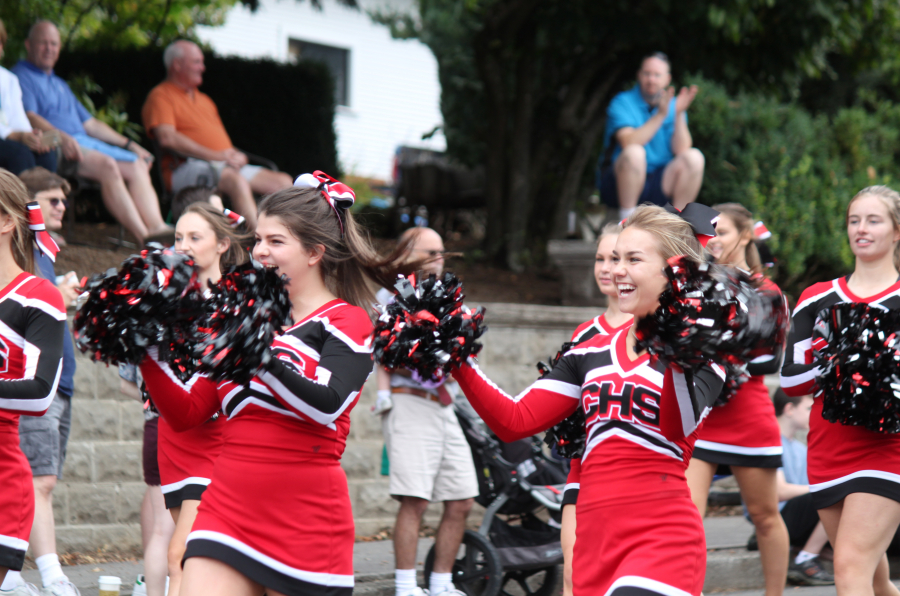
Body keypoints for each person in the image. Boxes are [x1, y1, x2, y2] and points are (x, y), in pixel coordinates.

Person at [138, 175, 413, 596]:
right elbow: (188, 412)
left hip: (303, 515)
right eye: (258, 239)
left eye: (276, 241)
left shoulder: (346, 321)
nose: (261, 251)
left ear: (314, 253)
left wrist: (259, 354)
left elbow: (327, 404)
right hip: (227, 504)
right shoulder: (243, 319)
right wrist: (146, 349)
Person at [450, 204, 726, 596]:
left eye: (632, 259)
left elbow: (676, 425)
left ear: (673, 268)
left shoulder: (704, 353)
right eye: (614, 258)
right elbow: (515, 419)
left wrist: (676, 348)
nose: (616, 270)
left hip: (662, 536)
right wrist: (456, 356)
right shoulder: (588, 352)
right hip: (594, 540)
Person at [781, 185, 900, 596]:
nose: (861, 229)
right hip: (828, 449)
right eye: (854, 220)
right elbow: (790, 379)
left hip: (887, 447)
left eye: (873, 220)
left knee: (848, 567)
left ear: (896, 231)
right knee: (875, 578)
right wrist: (845, 359)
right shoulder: (817, 298)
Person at [685, 203, 790, 596]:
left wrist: (707, 344)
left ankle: (774, 594)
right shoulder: (690, 285)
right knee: (688, 516)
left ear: (745, 235)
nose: (713, 242)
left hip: (747, 416)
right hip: (701, 415)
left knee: (764, 516)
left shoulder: (766, 291)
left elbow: (766, 362)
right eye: (709, 233)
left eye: (723, 232)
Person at [374, 227, 477, 596]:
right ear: (405, 255)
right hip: (409, 402)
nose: (439, 258)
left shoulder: (450, 296)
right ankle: (405, 586)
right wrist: (429, 360)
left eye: (441, 251)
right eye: (429, 251)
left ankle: (441, 583)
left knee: (462, 499)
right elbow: (385, 353)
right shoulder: (393, 297)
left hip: (445, 406)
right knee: (415, 500)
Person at [11, 21, 173, 246]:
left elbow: (91, 124)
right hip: (57, 144)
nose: (49, 48)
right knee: (107, 165)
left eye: (54, 44)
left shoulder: (59, 84)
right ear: (29, 45)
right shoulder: (20, 76)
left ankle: (158, 229)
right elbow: (28, 116)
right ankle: (145, 239)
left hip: (83, 143)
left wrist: (129, 144)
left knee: (137, 163)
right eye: (43, 43)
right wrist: (62, 137)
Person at [159, 202, 249, 596]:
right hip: (172, 436)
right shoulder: (167, 299)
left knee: (182, 553)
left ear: (223, 244)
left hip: (215, 439)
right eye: (179, 237)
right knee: (189, 559)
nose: (184, 245)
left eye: (195, 237)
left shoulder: (238, 302)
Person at [9, 169, 79, 596]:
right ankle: (40, 574)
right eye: (50, 200)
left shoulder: (41, 259)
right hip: (34, 384)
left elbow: (37, 391)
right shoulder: (28, 254)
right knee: (41, 479)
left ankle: (30, 572)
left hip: (59, 381)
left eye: (61, 200)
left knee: (43, 477)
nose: (60, 208)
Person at [142, 40, 293, 230]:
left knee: (283, 182)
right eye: (196, 62)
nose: (202, 68)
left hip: (222, 164)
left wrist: (235, 154)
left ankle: (288, 238)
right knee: (234, 179)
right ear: (177, 64)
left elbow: (218, 142)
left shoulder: (205, 100)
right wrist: (219, 156)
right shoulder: (160, 96)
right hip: (183, 167)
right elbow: (167, 138)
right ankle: (258, 243)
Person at [559, 222, 633, 596]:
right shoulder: (584, 333)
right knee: (574, 574)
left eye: (617, 258)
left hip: (636, 476)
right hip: (583, 468)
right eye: (600, 258)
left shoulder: (654, 330)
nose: (607, 268)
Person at [597, 53, 704, 220]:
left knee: (695, 157)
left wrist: (679, 114)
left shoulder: (674, 105)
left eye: (657, 75)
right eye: (647, 74)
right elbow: (628, 142)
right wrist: (660, 115)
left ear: (667, 79)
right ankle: (626, 221)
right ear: (639, 75)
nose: (651, 80)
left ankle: (680, 224)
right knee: (635, 153)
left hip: (660, 182)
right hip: (621, 184)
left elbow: (682, 149)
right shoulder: (622, 102)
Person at [119, 366, 175, 596]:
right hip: (182, 428)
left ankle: (152, 588)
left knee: (162, 530)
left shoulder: (139, 331)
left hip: (156, 425)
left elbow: (124, 383)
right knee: (171, 531)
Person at [770, 389, 834, 586]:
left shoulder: (800, 448)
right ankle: (806, 558)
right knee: (835, 494)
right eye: (808, 408)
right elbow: (778, 492)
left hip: (800, 516)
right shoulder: (770, 442)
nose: (813, 414)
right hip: (777, 518)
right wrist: (824, 489)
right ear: (789, 409)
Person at [0, 19, 56, 175]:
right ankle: (25, 200)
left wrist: (33, 138)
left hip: (12, 139)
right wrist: (16, 136)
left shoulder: (9, 79)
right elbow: (14, 133)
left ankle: (47, 199)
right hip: (6, 140)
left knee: (46, 154)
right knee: (19, 155)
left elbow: (19, 119)